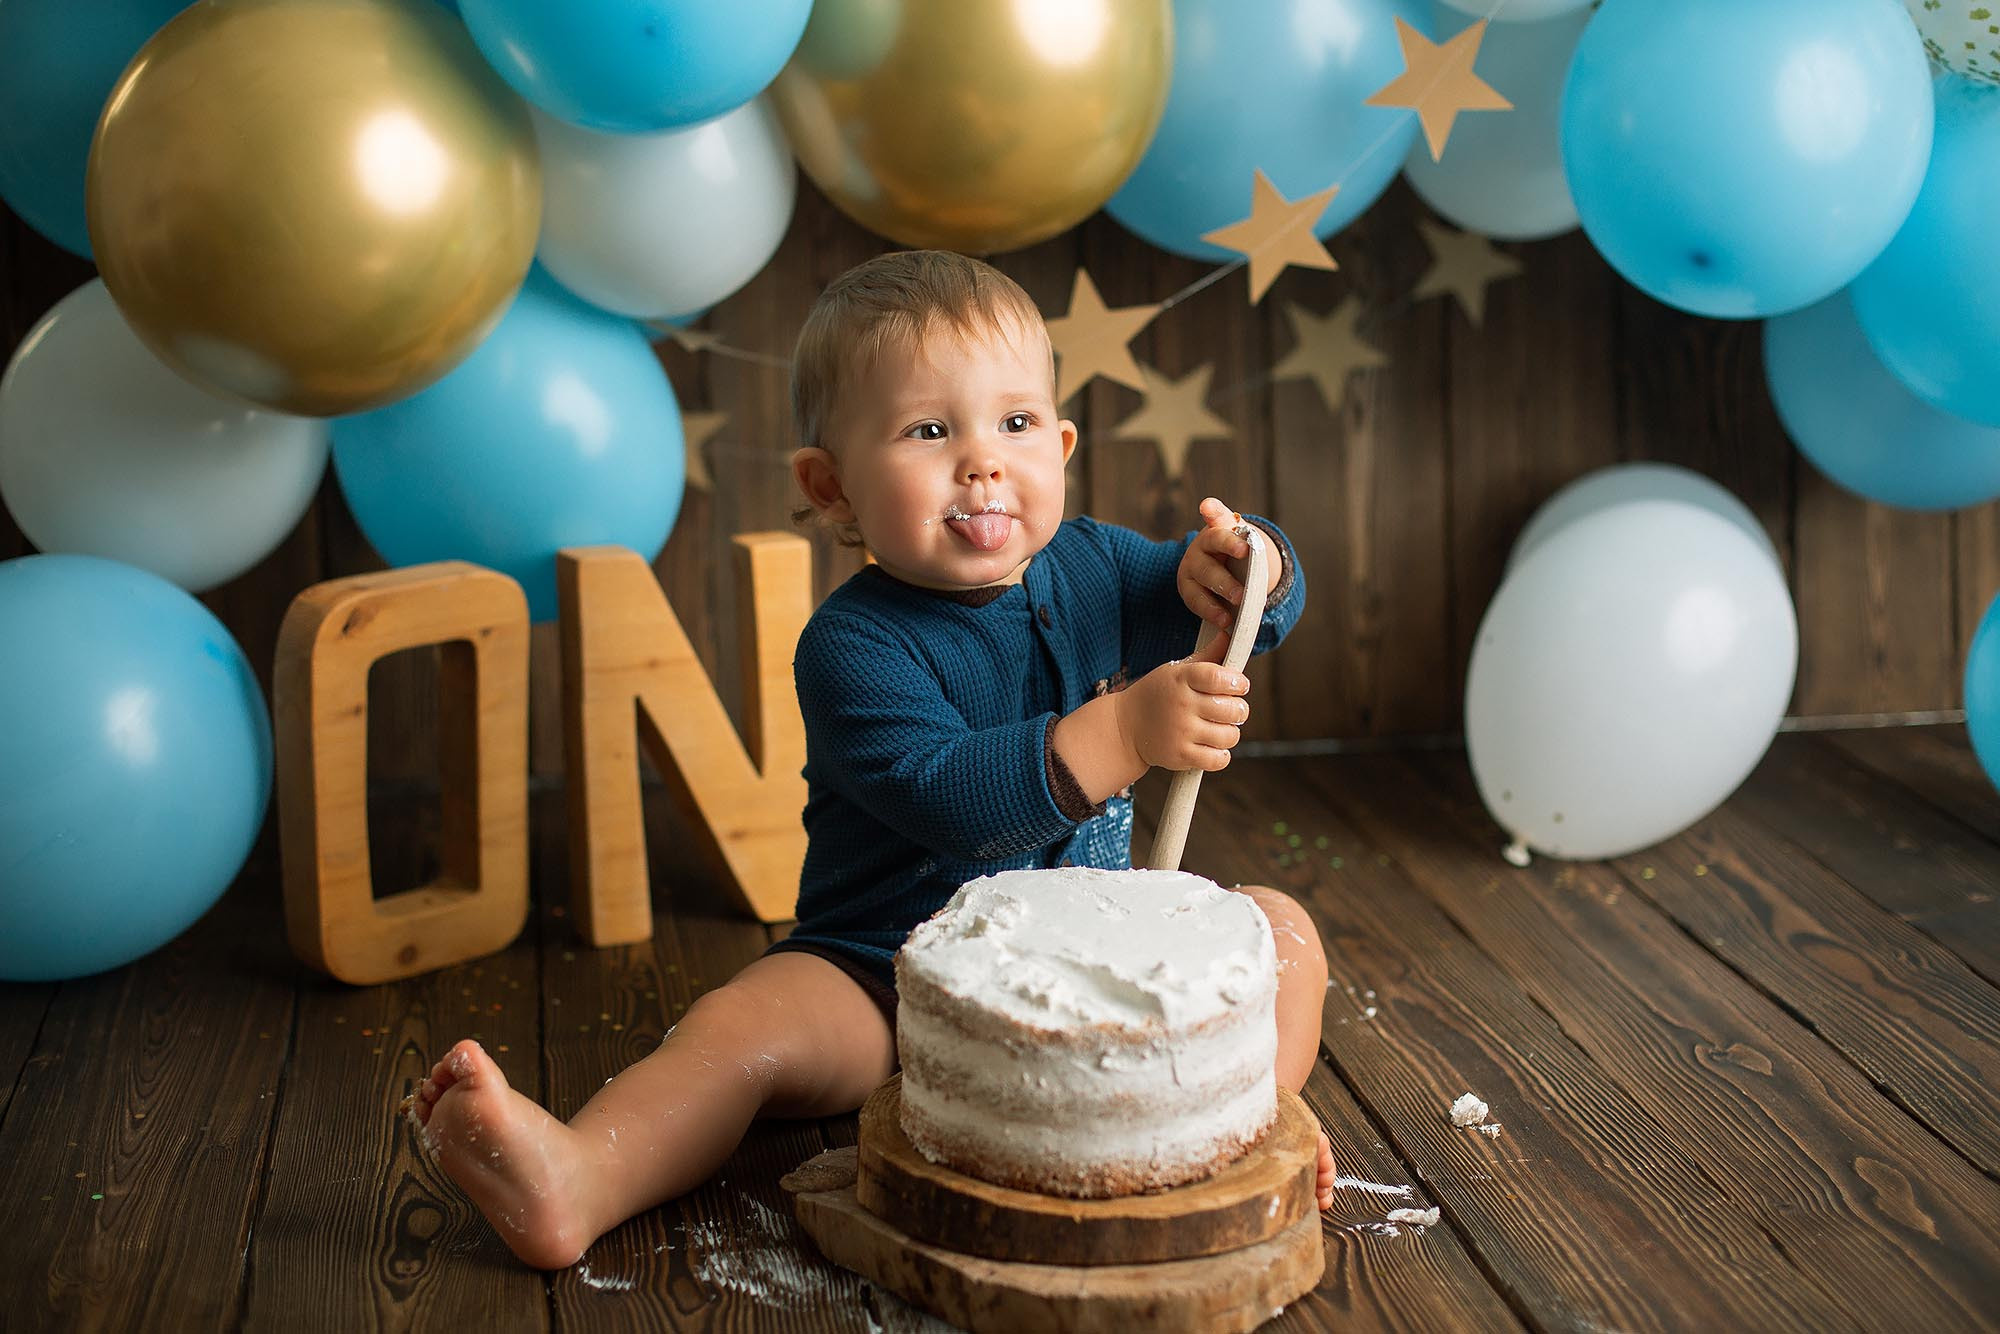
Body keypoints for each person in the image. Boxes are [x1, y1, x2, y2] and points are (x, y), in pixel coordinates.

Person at [405, 249, 1334, 1269]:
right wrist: (1123, 734)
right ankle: (582, 1171)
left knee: (1281, 931)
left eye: (1015, 423)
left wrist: (1249, 568)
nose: (982, 460)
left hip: (1101, 974)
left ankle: (1236, 1134)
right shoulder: (853, 646)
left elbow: (1249, 608)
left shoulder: (1097, 565)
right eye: (928, 430)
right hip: (886, 973)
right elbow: (952, 803)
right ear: (830, 485)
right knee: (737, 1029)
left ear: (1061, 445)